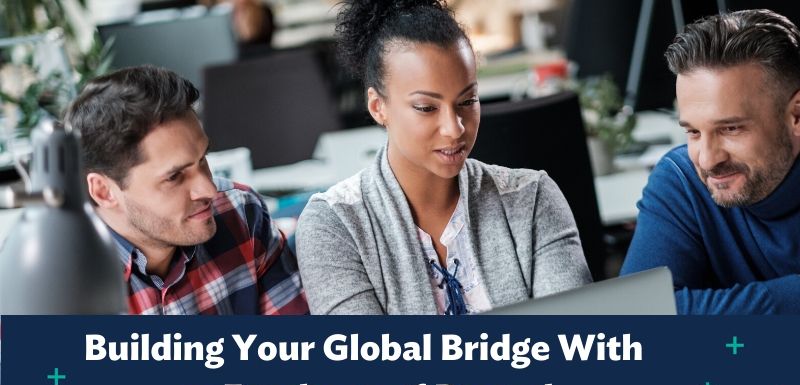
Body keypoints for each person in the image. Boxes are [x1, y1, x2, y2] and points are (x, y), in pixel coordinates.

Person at [295, 0, 591, 315]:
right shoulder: (334, 225)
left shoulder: (532, 197)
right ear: (378, 106)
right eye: (426, 107)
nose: (454, 128)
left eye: (467, 101)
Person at [65, 65, 308, 315]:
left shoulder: (242, 214)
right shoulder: (63, 288)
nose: (209, 190)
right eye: (174, 176)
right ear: (104, 191)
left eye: (202, 159)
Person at [620, 9, 800, 314]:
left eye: (731, 129)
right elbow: (634, 316)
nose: (707, 159)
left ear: (796, 115)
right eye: (692, 132)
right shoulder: (682, 179)